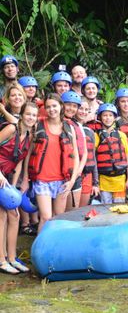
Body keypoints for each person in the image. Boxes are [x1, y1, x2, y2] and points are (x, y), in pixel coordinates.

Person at [24, 93, 79, 232]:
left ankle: (54, 250)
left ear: (61, 106)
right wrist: (25, 178)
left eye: (54, 106)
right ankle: (40, 251)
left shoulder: (69, 127)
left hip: (62, 180)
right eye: (48, 107)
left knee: (58, 217)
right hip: (42, 179)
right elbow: (28, 153)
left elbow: (76, 156)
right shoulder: (38, 125)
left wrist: (72, 181)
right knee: (46, 217)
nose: (51, 109)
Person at [0, 102, 37, 274]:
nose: (31, 118)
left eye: (34, 115)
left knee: (14, 215)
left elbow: (20, 161)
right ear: (21, 114)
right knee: (2, 216)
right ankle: (2, 260)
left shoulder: (29, 135)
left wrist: (14, 185)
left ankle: (12, 258)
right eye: (28, 114)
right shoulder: (11, 129)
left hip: (7, 178)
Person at [95, 103, 128, 204]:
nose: (108, 118)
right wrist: (95, 183)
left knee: (119, 210)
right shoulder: (96, 136)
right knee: (105, 211)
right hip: (103, 181)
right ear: (100, 117)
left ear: (115, 118)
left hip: (120, 181)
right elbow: (93, 160)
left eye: (110, 115)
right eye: (105, 115)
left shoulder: (121, 135)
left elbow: (127, 158)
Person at [61, 91, 88, 210]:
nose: (71, 108)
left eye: (74, 106)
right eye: (68, 105)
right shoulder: (58, 123)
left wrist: (78, 170)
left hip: (76, 173)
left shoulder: (78, 125)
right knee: (62, 212)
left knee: (74, 210)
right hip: (62, 173)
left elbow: (85, 152)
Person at [75, 98, 99, 207]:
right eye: (81, 108)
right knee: (70, 211)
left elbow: (93, 157)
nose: (83, 112)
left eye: (87, 110)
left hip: (87, 174)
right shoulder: (68, 127)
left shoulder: (89, 132)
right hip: (73, 174)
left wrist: (95, 183)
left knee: (82, 210)